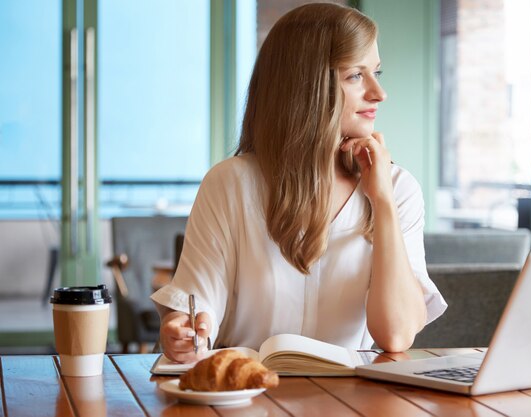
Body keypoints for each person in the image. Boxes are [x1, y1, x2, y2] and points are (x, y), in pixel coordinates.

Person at [151, 2, 447, 364]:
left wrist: (382, 201)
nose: (378, 93)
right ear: (307, 85)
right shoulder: (230, 183)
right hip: (250, 395)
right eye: (356, 75)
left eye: (376, 73)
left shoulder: (398, 188)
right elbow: (198, 304)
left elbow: (396, 335)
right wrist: (183, 330)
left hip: (357, 401)